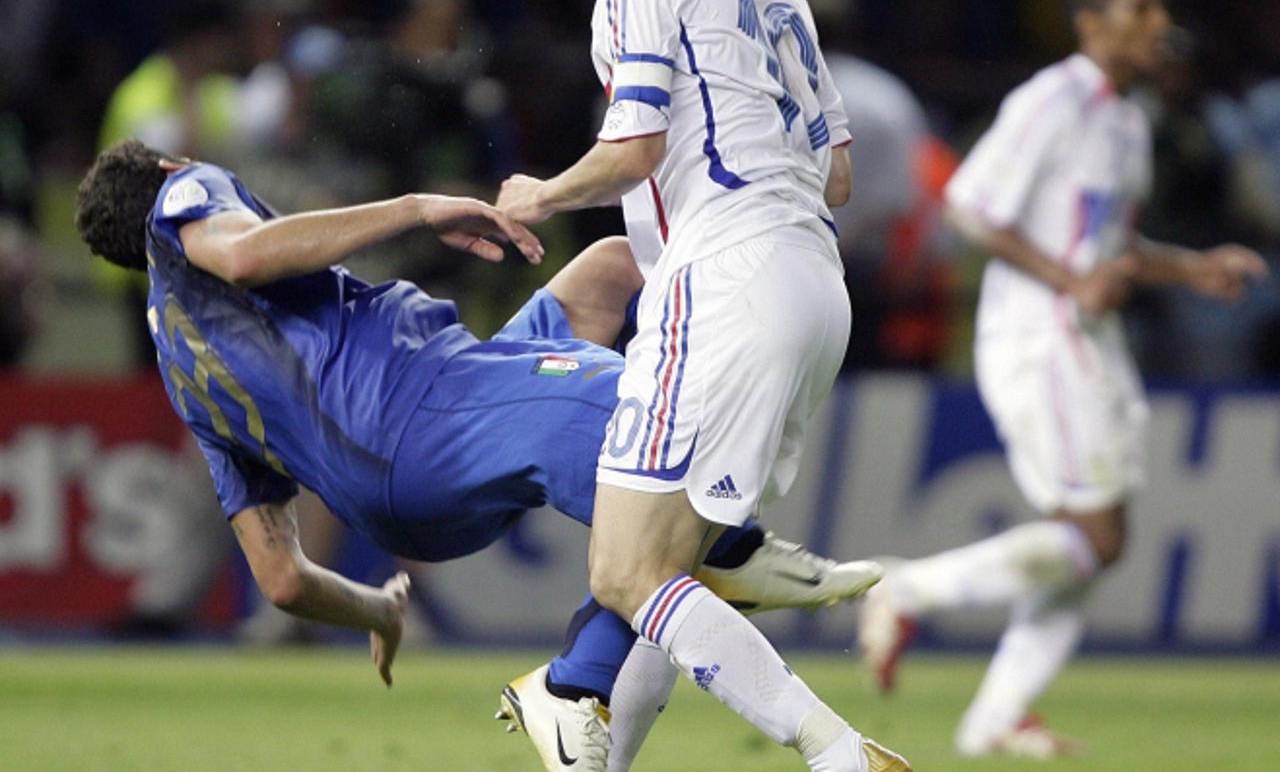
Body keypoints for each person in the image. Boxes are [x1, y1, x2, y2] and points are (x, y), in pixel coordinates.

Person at [74, 139, 881, 717]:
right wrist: (417, 208)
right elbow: (247, 255)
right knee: (643, 411)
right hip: (423, 410)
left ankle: (692, 555)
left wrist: (378, 610)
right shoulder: (185, 199)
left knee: (609, 272)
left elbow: (281, 579)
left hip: (424, 448)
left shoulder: (187, 376)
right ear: (174, 174)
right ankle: (718, 557)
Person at [499, 0, 907, 770]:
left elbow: (634, 146)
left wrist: (539, 195)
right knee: (671, 569)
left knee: (624, 571)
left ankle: (836, 752)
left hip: (722, 279)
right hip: (813, 285)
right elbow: (838, 174)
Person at [857, 0, 1269, 759]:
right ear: (1091, 21)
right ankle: (909, 587)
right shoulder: (1051, 100)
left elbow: (1106, 246)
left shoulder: (1123, 117)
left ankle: (995, 717)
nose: (1161, 24)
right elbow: (971, 206)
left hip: (1085, 338)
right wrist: (1069, 279)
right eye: (1142, 8)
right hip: (1039, 338)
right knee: (1098, 536)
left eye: (1161, 9)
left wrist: (1191, 265)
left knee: (1082, 546)